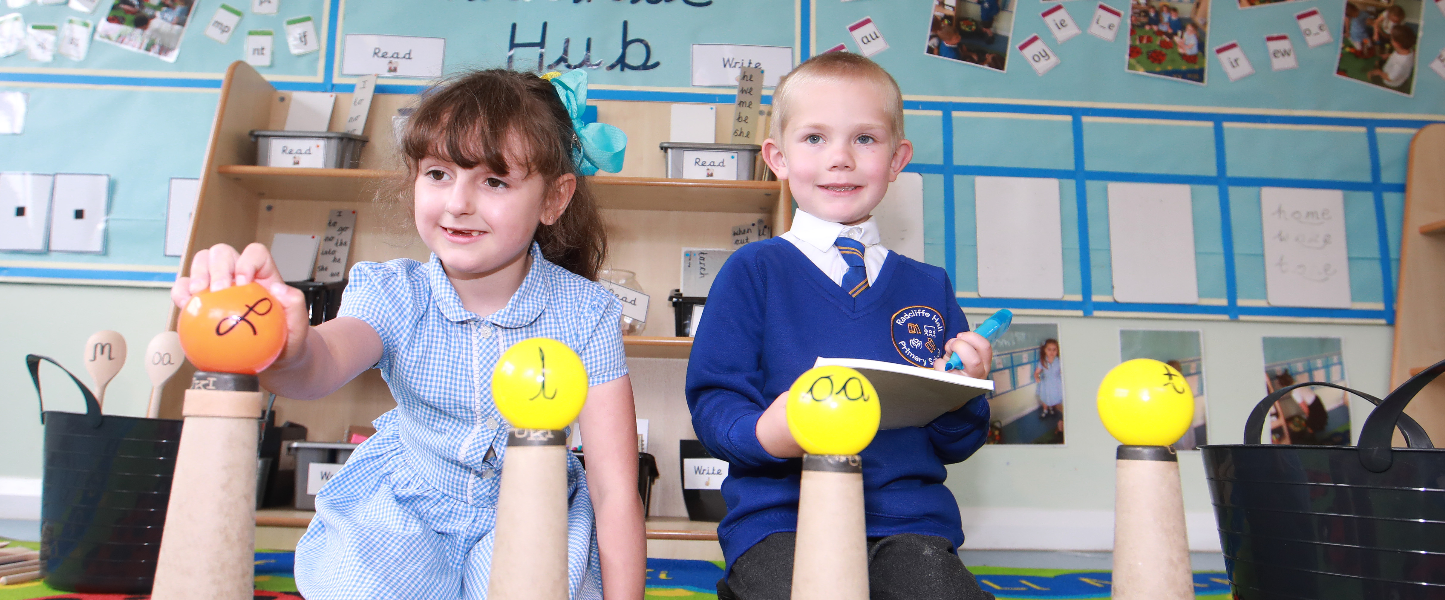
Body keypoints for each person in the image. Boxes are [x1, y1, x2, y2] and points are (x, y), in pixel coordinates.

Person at [170, 69, 644, 600]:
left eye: (494, 181)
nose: (457, 203)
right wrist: (288, 343)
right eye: (438, 174)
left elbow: (614, 489)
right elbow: (317, 366)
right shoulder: (393, 290)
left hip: (533, 501)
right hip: (403, 509)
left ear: (554, 199)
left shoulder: (586, 311)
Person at [685, 52, 995, 600]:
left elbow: (958, 440)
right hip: (782, 523)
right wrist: (766, 434)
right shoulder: (753, 271)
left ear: (897, 159)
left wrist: (964, 389)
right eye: (814, 139)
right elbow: (715, 402)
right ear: (777, 158)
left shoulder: (930, 286)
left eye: (865, 140)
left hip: (908, 527)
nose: (841, 159)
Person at [1368, 24, 1417, 89]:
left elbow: (1390, 78)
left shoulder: (1400, 64)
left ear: (1397, 44)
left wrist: (1378, 72)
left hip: (1391, 82)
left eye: (1391, 38)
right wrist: (1389, 55)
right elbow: (1399, 55)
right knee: (1379, 63)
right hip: (1398, 73)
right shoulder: (1409, 49)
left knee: (1372, 75)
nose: (1390, 39)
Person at [1032, 338, 1062, 435]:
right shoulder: (1042, 361)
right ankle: (1045, 411)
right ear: (1045, 350)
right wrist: (1037, 377)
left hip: (1057, 383)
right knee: (1045, 398)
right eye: (1049, 349)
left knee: (1054, 397)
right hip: (1046, 383)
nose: (1052, 352)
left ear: (1057, 351)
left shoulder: (1059, 361)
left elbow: (1062, 372)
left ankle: (1052, 409)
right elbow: (1036, 372)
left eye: (1054, 349)